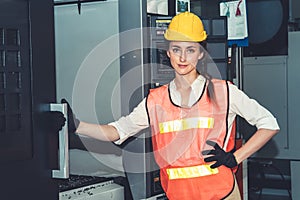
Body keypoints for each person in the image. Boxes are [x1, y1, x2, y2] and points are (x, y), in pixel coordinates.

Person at [62, 12, 279, 200]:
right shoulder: (155, 100)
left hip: (221, 194)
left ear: (201, 52)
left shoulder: (224, 92)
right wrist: (77, 125)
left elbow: (269, 124)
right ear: (168, 52)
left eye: (190, 50)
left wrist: (235, 157)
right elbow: (117, 131)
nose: (183, 57)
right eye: (176, 49)